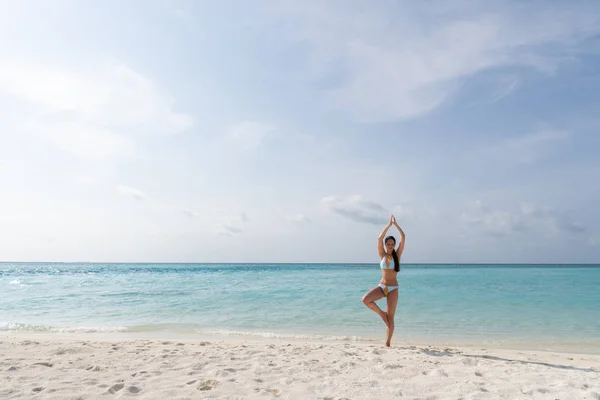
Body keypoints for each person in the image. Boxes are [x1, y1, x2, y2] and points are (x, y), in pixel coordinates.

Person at [361, 215, 406, 347]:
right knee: (365, 300)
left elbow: (403, 237)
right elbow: (379, 238)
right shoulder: (382, 254)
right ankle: (381, 314)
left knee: (391, 317)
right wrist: (388, 225)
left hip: (393, 289)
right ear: (386, 245)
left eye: (392, 244)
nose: (390, 245)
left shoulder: (397, 255)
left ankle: (387, 343)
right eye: (388, 244)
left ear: (394, 245)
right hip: (382, 286)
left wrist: (396, 225)